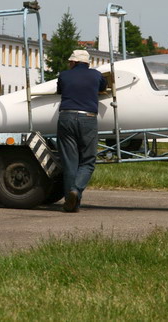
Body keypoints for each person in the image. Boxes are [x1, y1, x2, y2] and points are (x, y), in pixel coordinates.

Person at [56, 49, 106, 213]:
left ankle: (72, 203)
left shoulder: (64, 75)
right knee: (88, 161)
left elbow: (60, 90)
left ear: (74, 62)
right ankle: (76, 190)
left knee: (70, 162)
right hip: (87, 118)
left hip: (66, 117)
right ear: (87, 63)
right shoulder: (96, 75)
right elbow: (103, 88)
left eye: (70, 62)